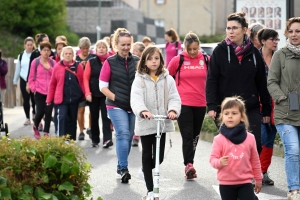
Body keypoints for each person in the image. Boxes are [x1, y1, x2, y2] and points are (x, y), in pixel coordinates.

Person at [206, 12, 271, 156]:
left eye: (234, 28)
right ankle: (234, 177)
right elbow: (212, 79)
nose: (230, 31)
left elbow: (262, 82)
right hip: (226, 108)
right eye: (228, 28)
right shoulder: (219, 51)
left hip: (250, 107)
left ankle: (247, 175)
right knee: (232, 145)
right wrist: (211, 105)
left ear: (244, 29)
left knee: (256, 144)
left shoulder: (254, 53)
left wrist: (266, 109)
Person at [130, 46, 181, 200]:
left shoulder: (167, 79)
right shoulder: (139, 80)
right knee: (147, 155)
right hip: (146, 122)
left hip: (161, 123)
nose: (154, 61)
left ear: (161, 60)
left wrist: (172, 110)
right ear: (144, 61)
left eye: (156, 58)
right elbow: (136, 99)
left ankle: (144, 170)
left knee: (159, 157)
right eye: (150, 59)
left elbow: (174, 97)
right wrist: (143, 111)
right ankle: (151, 191)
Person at [99, 28, 139, 183]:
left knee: (128, 137)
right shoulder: (109, 62)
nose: (126, 47)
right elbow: (102, 86)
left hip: (133, 106)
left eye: (128, 44)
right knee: (122, 133)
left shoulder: (137, 61)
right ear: (116, 44)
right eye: (123, 45)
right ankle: (123, 168)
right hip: (115, 105)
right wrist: (116, 97)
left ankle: (120, 165)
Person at [267, 17, 300, 199]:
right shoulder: (280, 55)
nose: (294, 35)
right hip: (285, 112)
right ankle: (294, 189)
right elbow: (271, 82)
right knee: (293, 150)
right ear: (286, 33)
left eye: (298, 31)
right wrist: (281, 98)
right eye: (291, 31)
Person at [168, 31, 208, 179]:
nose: (192, 52)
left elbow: (213, 80)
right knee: (187, 135)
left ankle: (189, 163)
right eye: (189, 49)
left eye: (195, 49)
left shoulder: (206, 59)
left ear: (199, 47)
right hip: (182, 103)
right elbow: (167, 79)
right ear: (184, 47)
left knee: (195, 137)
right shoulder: (177, 60)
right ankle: (188, 165)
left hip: (200, 103)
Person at [209, 97, 262, 200]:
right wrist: (219, 162)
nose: (230, 116)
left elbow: (255, 160)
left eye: (234, 113)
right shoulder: (219, 139)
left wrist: (258, 179)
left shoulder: (250, 138)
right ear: (222, 117)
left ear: (242, 117)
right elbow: (212, 159)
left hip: (245, 181)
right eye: (226, 113)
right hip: (226, 183)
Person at [46, 46, 84, 141]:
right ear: (62, 55)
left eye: (70, 53)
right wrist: (49, 99)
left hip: (74, 98)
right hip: (61, 98)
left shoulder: (78, 66)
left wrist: (85, 94)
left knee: (72, 120)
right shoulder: (57, 67)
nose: (68, 55)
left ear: (73, 55)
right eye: (66, 53)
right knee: (62, 117)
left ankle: (71, 141)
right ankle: (62, 140)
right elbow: (52, 84)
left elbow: (82, 81)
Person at [84, 40, 113, 148]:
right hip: (93, 95)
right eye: (99, 47)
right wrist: (87, 92)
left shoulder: (110, 61)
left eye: (103, 47)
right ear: (96, 50)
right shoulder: (91, 62)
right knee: (94, 117)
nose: (101, 49)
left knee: (106, 117)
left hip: (107, 95)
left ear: (107, 49)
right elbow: (86, 78)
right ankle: (95, 139)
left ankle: (107, 140)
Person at [28, 41, 56, 139]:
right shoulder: (35, 62)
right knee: (40, 111)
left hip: (50, 92)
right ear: (40, 51)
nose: (46, 52)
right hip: (39, 91)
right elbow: (31, 78)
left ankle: (46, 132)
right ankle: (35, 126)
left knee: (48, 112)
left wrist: (49, 68)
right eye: (44, 50)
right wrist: (34, 88)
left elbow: (57, 76)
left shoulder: (53, 62)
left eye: (48, 50)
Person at [76, 37, 95, 140]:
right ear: (80, 48)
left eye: (87, 48)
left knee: (92, 110)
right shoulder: (76, 59)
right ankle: (81, 131)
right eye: (83, 48)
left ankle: (90, 128)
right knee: (81, 110)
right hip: (79, 87)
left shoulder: (93, 58)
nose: (85, 50)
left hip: (91, 87)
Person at [13, 37, 36, 125]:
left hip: (33, 80)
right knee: (26, 99)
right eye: (28, 45)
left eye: (31, 45)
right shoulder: (21, 55)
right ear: (25, 45)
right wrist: (15, 81)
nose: (29, 47)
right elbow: (18, 69)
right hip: (23, 79)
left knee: (34, 99)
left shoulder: (35, 54)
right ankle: (27, 118)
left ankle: (34, 114)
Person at [131, 41, 146, 147]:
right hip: (132, 91)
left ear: (141, 52)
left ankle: (137, 136)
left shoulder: (146, 63)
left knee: (139, 114)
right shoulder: (131, 61)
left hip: (143, 91)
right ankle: (133, 134)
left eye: (135, 50)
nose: (133, 52)